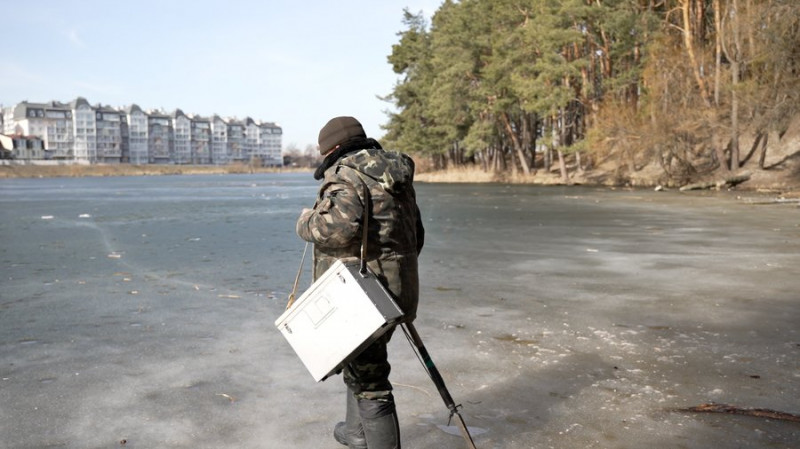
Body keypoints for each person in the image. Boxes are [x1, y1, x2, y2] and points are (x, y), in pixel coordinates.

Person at [296, 116, 424, 449]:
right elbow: (417, 236)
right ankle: (356, 433)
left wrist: (305, 221)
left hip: (364, 294)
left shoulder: (347, 176)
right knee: (361, 363)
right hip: (399, 289)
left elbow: (334, 230)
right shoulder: (396, 178)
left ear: (333, 150)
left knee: (371, 380)